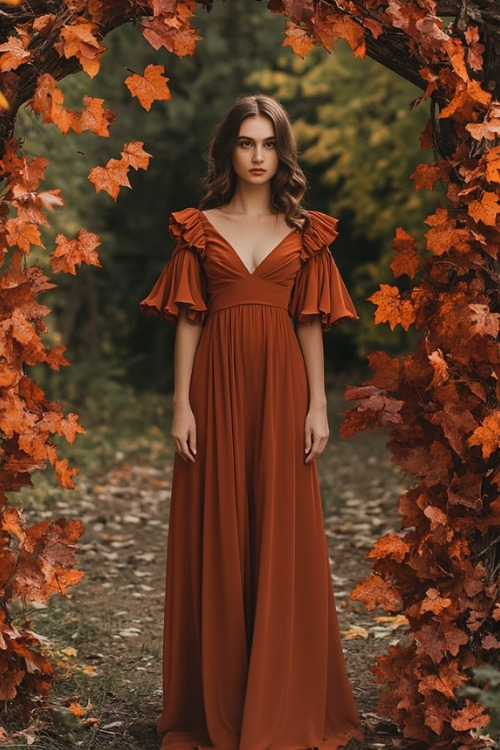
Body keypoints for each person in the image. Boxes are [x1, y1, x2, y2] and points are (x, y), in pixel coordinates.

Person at [140, 95, 362, 750]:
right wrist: (181, 403)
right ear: (228, 151)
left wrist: (318, 403)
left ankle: (282, 696)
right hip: (214, 388)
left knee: (279, 531)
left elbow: (310, 321)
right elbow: (188, 317)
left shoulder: (306, 232)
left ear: (282, 151)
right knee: (220, 529)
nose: (258, 155)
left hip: (282, 389)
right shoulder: (198, 227)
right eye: (246, 142)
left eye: (268, 143)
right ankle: (219, 699)